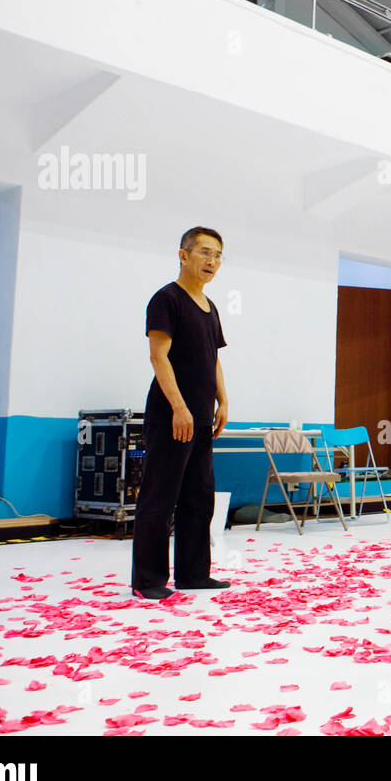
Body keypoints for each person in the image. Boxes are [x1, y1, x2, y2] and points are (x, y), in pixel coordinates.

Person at [131, 227, 232, 599]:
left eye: (218, 255)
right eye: (205, 252)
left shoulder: (210, 306)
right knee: (160, 496)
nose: (212, 261)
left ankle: (193, 574)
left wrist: (224, 401)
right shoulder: (166, 299)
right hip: (171, 416)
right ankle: (148, 580)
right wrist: (179, 407)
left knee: (199, 497)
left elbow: (214, 358)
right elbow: (159, 356)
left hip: (203, 418)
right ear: (183, 254)